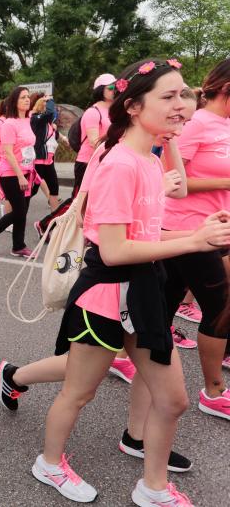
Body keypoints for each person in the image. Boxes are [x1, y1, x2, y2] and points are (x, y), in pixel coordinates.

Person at [30, 59, 230, 507]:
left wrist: (198, 237)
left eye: (185, 94)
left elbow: (150, 231)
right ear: (135, 107)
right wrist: (193, 240)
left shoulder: (148, 157)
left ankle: (152, 487)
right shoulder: (121, 164)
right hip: (106, 294)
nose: (183, 105)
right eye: (169, 96)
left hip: (144, 292)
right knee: (79, 392)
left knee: (173, 399)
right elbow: (116, 250)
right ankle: (49, 462)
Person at [161, 59, 230, 420]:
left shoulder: (225, 125)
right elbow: (173, 178)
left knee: (165, 305)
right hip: (188, 228)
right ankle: (213, 391)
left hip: (218, 226)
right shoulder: (197, 123)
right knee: (218, 306)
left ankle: (130, 358)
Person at [0, 87, 37, 258]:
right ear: (14, 101)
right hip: (10, 174)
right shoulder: (8, 124)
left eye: (28, 97)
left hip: (27, 170)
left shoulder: (28, 120)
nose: (27, 100)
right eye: (23, 98)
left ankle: (18, 246)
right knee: (19, 211)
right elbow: (8, 153)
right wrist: (20, 174)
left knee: (23, 211)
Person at [73, 73, 115, 191]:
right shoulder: (93, 112)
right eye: (111, 88)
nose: (114, 90)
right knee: (83, 203)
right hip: (88, 162)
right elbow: (94, 142)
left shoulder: (113, 111)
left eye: (116, 87)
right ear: (101, 90)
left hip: (106, 161)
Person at [30, 95, 61, 214]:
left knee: (54, 188)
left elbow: (53, 139)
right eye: (47, 105)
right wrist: (50, 100)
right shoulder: (35, 118)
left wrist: (55, 130)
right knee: (32, 190)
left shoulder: (49, 123)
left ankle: (55, 218)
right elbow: (48, 114)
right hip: (38, 160)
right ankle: (16, 207)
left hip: (49, 161)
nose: (52, 110)